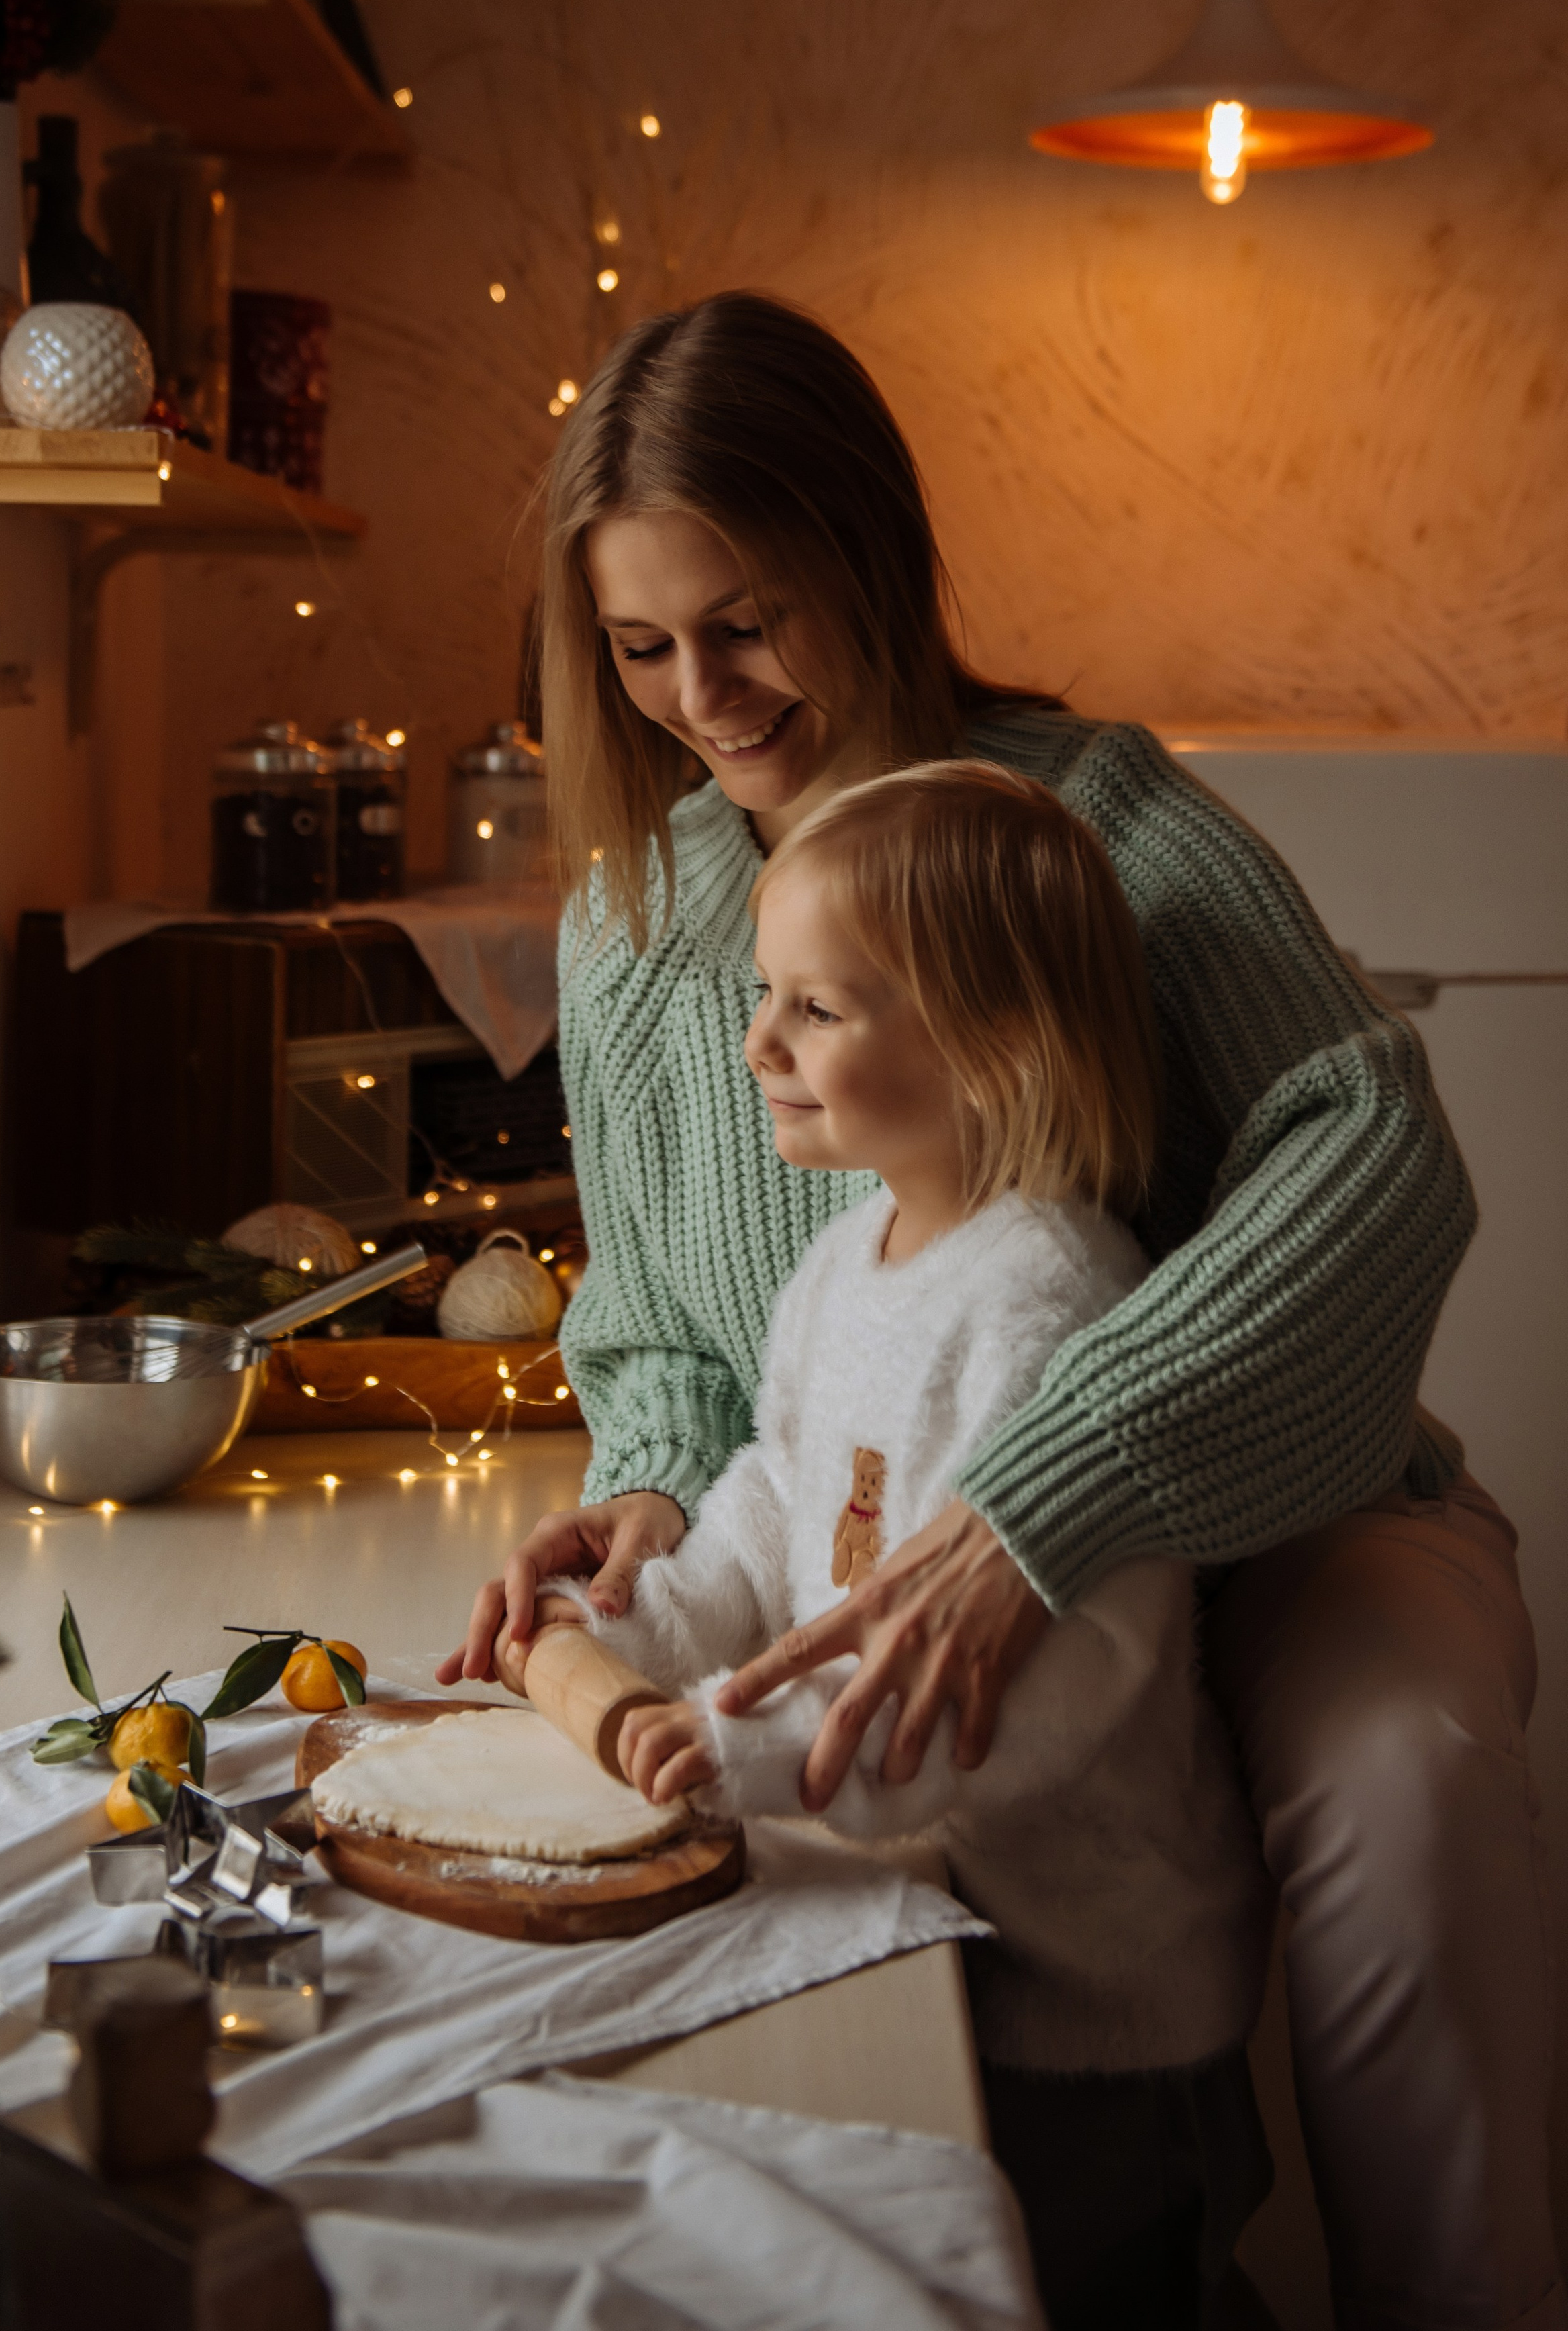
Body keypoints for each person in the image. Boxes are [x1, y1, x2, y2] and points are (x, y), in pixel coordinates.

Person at [440, 291, 1561, 2329]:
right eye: (640, 645)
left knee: (1402, 1783)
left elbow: (1379, 1146)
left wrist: (1049, 1496)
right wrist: (657, 1498)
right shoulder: (635, 922)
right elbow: (680, 1346)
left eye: (750, 617)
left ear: (869, 553)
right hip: (868, 1539)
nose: (705, 690)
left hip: (1275, 1519)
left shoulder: (1094, 829)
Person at [532, 757, 1275, 2322]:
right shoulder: (846, 1260)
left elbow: (999, 1701)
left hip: (1090, 2010)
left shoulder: (1048, 1305)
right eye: (765, 994)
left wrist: (726, 1744)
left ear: (987, 1043)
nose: (757, 1045)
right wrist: (635, 1623)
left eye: (817, 1007)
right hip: (914, 1923)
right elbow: (770, 1500)